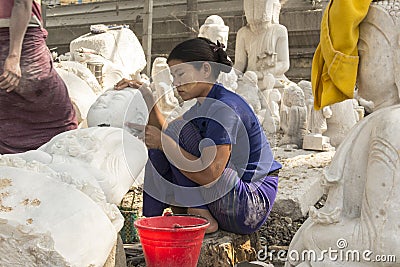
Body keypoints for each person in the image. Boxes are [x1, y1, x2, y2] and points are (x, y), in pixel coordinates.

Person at [115, 37, 281, 234]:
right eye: (173, 76)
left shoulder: (225, 108)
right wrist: (147, 96)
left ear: (205, 69)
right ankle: (156, 220)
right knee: (166, 141)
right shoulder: (205, 104)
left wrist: (164, 142)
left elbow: (212, 173)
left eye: (181, 74)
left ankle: (198, 212)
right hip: (230, 197)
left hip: (249, 205)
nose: (176, 83)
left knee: (172, 138)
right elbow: (166, 132)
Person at [286, 1, 400, 266]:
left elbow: (384, 241)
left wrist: (310, 237)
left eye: (363, 51)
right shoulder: (382, 120)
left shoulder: (392, 127)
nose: (354, 67)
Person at [0, 0, 77, 154]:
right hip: (22, 43)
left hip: (17, 39)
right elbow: (22, 3)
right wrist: (14, 56)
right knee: (57, 118)